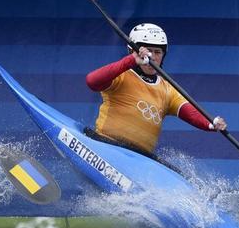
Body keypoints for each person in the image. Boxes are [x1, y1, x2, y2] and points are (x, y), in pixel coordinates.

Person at [85, 23, 226, 159]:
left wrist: (210, 123)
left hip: (139, 158)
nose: (152, 56)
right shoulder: (120, 75)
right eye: (148, 51)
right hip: (106, 145)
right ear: (132, 51)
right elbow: (92, 81)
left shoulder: (168, 89)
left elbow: (190, 112)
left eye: (157, 52)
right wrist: (131, 60)